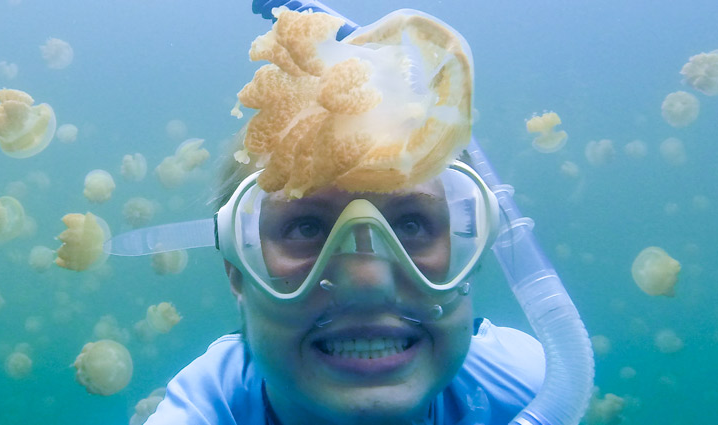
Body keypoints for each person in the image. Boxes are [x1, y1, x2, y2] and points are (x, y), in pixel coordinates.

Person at [102, 3, 593, 424]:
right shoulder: (207, 411)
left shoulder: (525, 386)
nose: (367, 281)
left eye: (412, 224)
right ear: (237, 269)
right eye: (307, 227)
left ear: (474, 249)